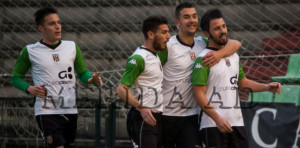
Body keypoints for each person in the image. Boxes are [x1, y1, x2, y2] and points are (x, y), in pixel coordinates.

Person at [11, 7, 103, 148]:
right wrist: (29, 88)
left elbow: (83, 73)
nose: (57, 26)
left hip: (69, 109)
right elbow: (15, 78)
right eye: (52, 23)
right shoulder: (30, 50)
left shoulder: (71, 47)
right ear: (41, 28)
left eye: (59, 22)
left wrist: (91, 79)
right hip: (46, 110)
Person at [192, 9, 282, 148]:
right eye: (216, 28)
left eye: (224, 26)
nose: (222, 31)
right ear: (206, 34)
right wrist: (217, 119)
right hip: (213, 125)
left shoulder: (233, 55)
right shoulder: (203, 59)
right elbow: (198, 94)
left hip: (236, 123)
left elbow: (243, 83)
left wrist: (267, 87)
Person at [156, 2, 241, 148]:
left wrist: (220, 54)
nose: (192, 20)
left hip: (191, 117)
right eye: (187, 17)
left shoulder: (202, 43)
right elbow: (149, 69)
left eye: (194, 16)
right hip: (166, 115)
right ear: (178, 22)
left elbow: (235, 43)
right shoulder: (168, 47)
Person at [117, 15, 170, 148]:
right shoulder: (139, 58)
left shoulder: (155, 55)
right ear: (151, 34)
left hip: (157, 117)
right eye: (164, 32)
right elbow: (121, 90)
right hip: (143, 118)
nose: (168, 36)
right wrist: (141, 108)